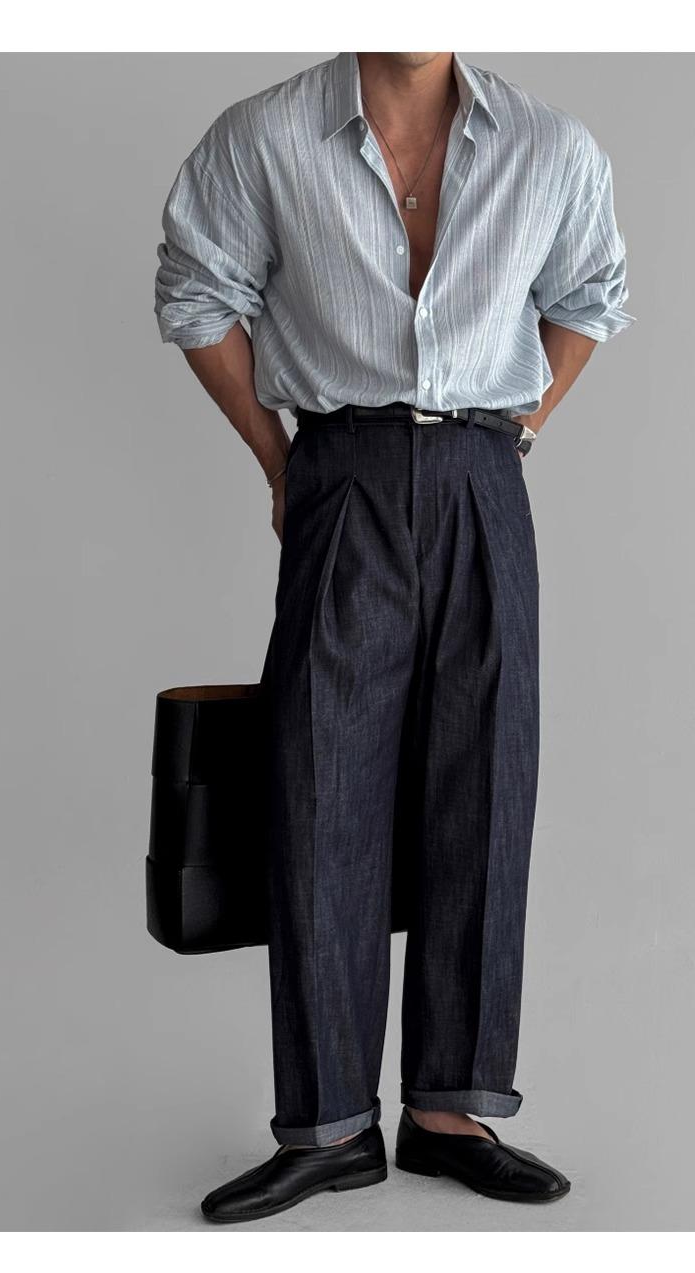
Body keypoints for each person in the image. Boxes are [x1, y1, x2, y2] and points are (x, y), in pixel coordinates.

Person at [153, 50, 634, 1224]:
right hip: (342, 467)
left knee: (485, 780)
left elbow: (589, 296)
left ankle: (451, 1111)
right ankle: (327, 1126)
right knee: (320, 782)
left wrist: (514, 429)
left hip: (481, 473)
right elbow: (194, 292)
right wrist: (280, 462)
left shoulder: (552, 147)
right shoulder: (263, 136)